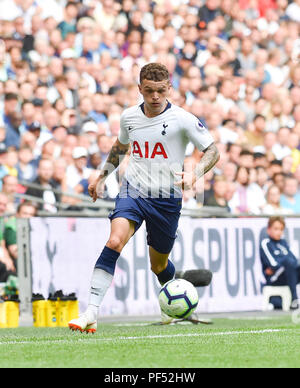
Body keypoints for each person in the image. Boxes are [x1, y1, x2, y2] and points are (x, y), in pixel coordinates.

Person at [68, 63, 219, 333]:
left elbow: (212, 151)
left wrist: (194, 174)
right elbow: (120, 147)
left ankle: (177, 286)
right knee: (115, 241)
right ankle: (90, 312)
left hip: (166, 198)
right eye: (149, 91)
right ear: (140, 89)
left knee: (158, 265)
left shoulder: (183, 119)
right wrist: (102, 176)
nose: (155, 97)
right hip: (133, 190)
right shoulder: (129, 117)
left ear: (169, 88)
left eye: (161, 91)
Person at [260, 216, 300, 309]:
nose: (279, 232)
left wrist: (283, 260)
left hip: (289, 273)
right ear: (269, 230)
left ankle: (293, 299)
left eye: (281, 229)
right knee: (288, 263)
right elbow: (273, 265)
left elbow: (294, 260)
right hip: (273, 278)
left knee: (291, 264)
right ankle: (294, 299)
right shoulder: (266, 243)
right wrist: (284, 260)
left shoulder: (283, 243)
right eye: (276, 229)